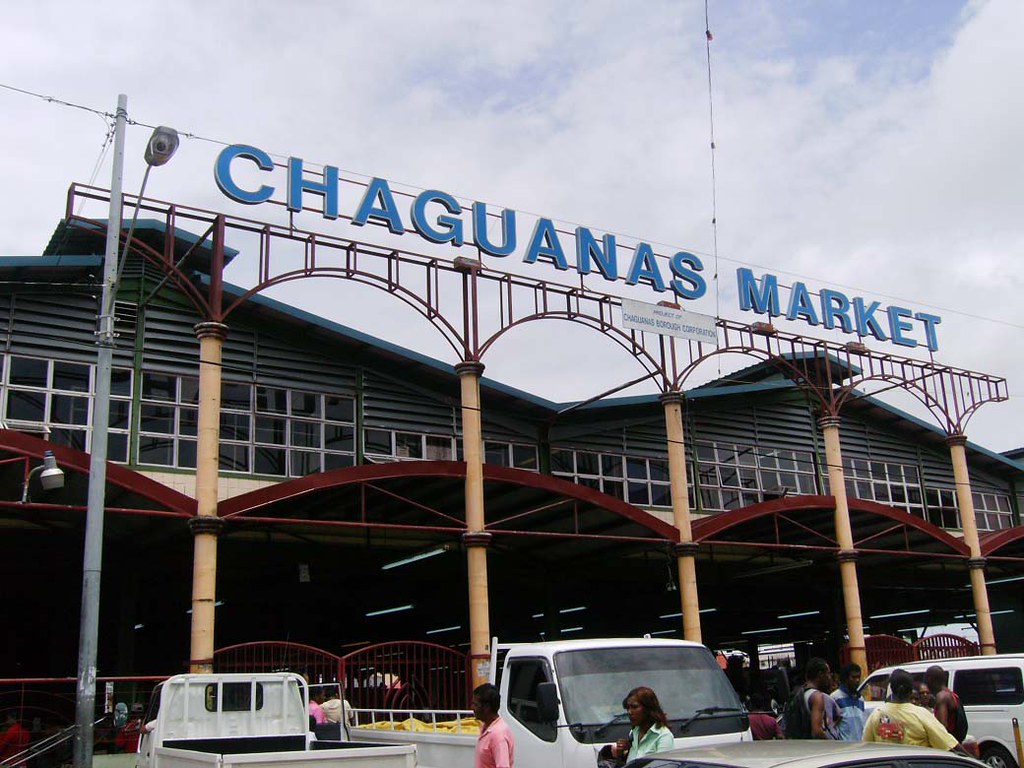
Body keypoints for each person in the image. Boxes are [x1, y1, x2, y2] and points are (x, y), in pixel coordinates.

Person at [863, 669, 966, 753]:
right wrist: (973, 760)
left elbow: (866, 745)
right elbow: (949, 744)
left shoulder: (877, 714)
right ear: (911, 690)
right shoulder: (921, 714)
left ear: (892, 688)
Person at [614, 687, 675, 759]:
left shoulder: (663, 736)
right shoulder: (634, 732)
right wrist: (621, 753)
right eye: (628, 708)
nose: (629, 712)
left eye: (634, 707)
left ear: (648, 709)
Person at [472, 683, 514, 768]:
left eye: (476, 705)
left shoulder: (498, 735)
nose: (472, 707)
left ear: (487, 707)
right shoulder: (487, 728)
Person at [804, 658, 840, 740]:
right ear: (820, 674)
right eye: (828, 673)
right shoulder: (817, 697)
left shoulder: (800, 694)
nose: (829, 678)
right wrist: (832, 744)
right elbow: (817, 732)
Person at [830, 663, 866, 742]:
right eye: (853, 677)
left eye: (858, 677)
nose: (857, 680)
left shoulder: (860, 699)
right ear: (845, 679)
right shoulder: (835, 697)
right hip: (844, 748)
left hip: (859, 747)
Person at [926, 665, 963, 739]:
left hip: (948, 742)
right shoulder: (952, 695)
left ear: (929, 679)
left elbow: (942, 726)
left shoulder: (941, 696)